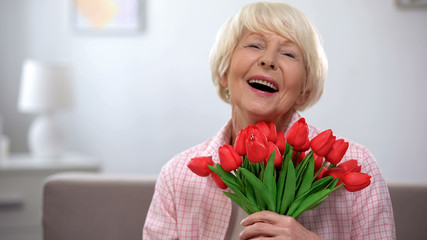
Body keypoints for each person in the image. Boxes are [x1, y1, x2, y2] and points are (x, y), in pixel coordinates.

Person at [143, 1, 396, 239]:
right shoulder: (177, 176)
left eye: (288, 54)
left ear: (305, 90)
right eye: (254, 45)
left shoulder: (357, 163)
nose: (268, 60)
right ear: (224, 71)